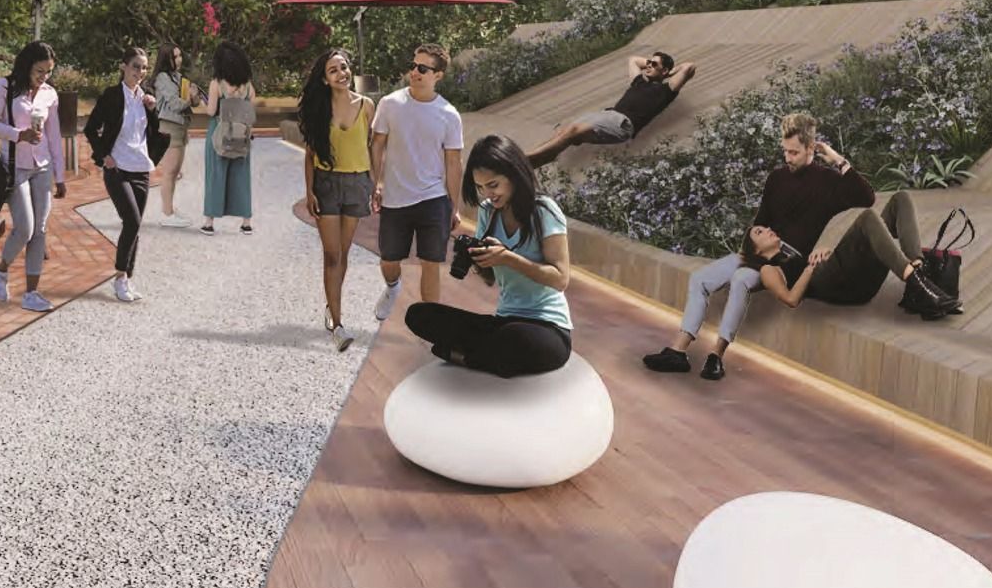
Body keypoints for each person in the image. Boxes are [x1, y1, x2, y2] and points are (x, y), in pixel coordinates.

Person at [644, 113, 951, 381]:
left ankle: (716, 357)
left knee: (900, 199)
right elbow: (759, 219)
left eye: (794, 153)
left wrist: (838, 161)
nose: (787, 159)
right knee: (700, 279)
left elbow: (866, 198)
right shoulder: (777, 178)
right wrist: (750, 248)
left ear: (811, 150)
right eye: (785, 151)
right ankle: (678, 351)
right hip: (758, 251)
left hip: (786, 263)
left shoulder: (828, 181)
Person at [405, 135, 574, 377]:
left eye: (493, 185)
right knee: (419, 314)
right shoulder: (488, 211)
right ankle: (485, 356)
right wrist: (477, 257)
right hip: (504, 320)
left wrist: (508, 258)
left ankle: (464, 355)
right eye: (480, 187)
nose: (487, 195)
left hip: (548, 328)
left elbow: (560, 279)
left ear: (514, 174)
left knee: (513, 339)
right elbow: (490, 278)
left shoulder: (544, 211)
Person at [370, 43, 467, 323]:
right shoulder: (389, 104)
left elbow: (453, 163)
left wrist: (454, 205)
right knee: (388, 260)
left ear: (438, 75)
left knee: (431, 263)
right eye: (413, 65)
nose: (415, 72)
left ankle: (431, 323)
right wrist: (376, 182)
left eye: (423, 68)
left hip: (433, 198)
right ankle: (392, 287)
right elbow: (377, 144)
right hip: (395, 197)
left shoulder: (449, 115)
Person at [298, 48, 376, 349]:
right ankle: (339, 326)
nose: (341, 74)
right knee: (332, 255)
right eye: (333, 70)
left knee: (343, 254)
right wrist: (309, 191)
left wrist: (376, 183)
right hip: (326, 184)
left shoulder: (368, 106)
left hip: (357, 183)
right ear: (325, 79)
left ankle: (332, 306)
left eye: (343, 67)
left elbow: (374, 147)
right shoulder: (319, 110)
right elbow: (309, 155)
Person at [0, 41, 71, 312]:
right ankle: (1, 270)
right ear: (26, 66)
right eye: (39, 71)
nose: (43, 77)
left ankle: (31, 293)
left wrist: (60, 175)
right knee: (25, 227)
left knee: (41, 230)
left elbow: (54, 136)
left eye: (48, 72)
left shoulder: (49, 94)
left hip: (43, 165)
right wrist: (18, 134)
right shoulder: (5, 86)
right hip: (15, 166)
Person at [527, 52, 698, 168]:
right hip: (607, 115)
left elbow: (689, 67)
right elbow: (632, 59)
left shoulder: (666, 90)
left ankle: (526, 158)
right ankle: (536, 161)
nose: (648, 66)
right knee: (564, 133)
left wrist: (668, 73)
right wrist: (651, 64)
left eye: (654, 64)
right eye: (649, 62)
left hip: (622, 123)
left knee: (573, 131)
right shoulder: (639, 81)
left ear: (665, 70)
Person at [84, 45, 160, 302]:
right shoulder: (112, 96)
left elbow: (152, 133)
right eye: (136, 66)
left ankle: (127, 279)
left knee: (134, 226)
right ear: (124, 67)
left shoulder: (146, 97)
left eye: (144, 68)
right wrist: (103, 157)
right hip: (118, 169)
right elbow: (91, 129)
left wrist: (153, 109)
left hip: (141, 168)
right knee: (132, 222)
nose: (140, 72)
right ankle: (119, 278)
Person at [200, 42, 258, 234]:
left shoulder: (217, 84)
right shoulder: (248, 87)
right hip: (241, 135)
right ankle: (246, 222)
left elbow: (210, 112)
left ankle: (209, 222)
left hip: (219, 133)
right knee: (241, 177)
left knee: (215, 175)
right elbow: (251, 114)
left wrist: (199, 101)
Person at [150, 42, 201, 228]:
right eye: (175, 56)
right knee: (169, 172)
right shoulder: (163, 78)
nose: (179, 60)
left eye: (180, 56)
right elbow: (176, 104)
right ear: (166, 58)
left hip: (180, 127)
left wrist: (194, 97)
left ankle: (169, 209)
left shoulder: (177, 77)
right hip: (170, 127)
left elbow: (190, 104)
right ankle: (166, 213)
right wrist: (188, 99)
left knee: (174, 172)